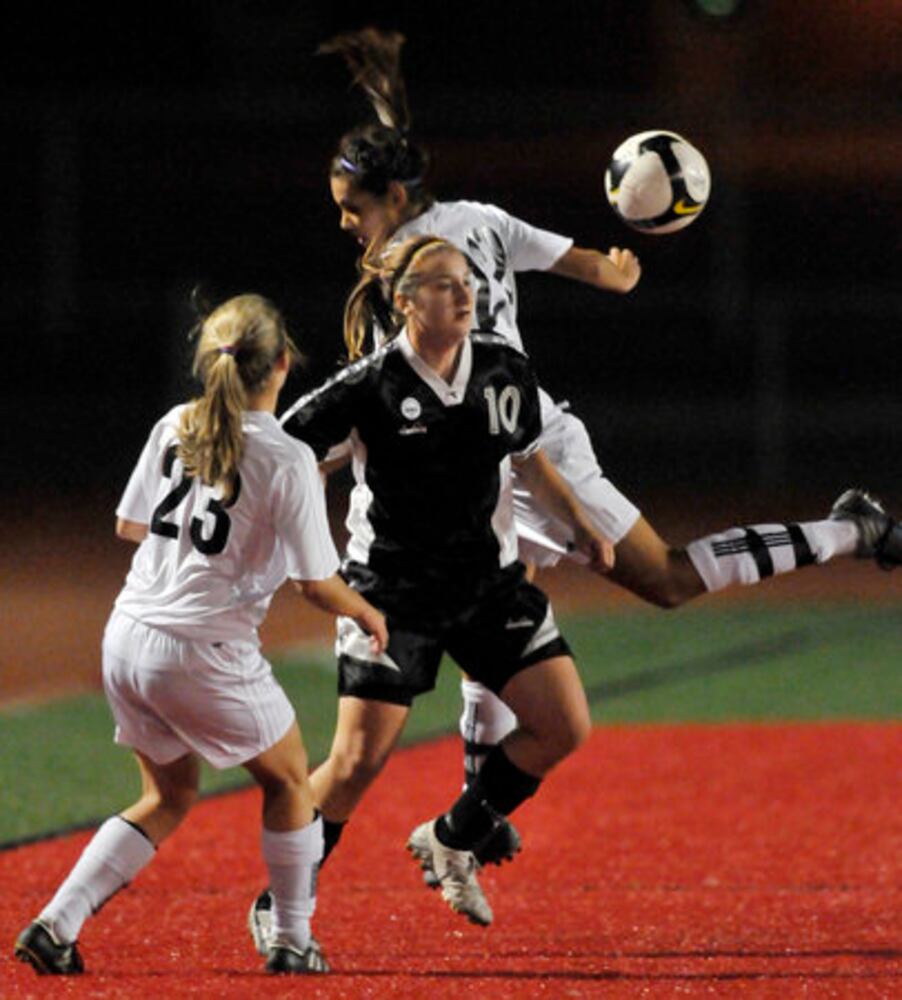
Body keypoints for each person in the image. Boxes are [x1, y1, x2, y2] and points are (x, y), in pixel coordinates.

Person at [316, 26, 902, 844]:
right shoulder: (476, 219)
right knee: (490, 588)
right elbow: (602, 269)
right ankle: (476, 808)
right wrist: (630, 256)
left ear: (393, 199)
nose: (344, 223)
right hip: (479, 452)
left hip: (524, 445)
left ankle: (851, 528)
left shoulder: (396, 279)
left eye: (351, 207)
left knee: (662, 579)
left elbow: (388, 388)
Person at [14, 294, 387, 977]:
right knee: (290, 785)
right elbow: (314, 583)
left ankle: (55, 923)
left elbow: (132, 527)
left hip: (126, 638)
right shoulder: (287, 456)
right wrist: (366, 613)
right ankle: (294, 938)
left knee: (170, 794)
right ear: (282, 364)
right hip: (200, 650)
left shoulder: (175, 424)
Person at [263, 234, 615, 931]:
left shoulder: (503, 368)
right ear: (404, 300)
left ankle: (451, 839)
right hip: (392, 595)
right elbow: (284, 457)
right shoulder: (367, 386)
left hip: (488, 586)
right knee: (356, 761)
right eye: (445, 284)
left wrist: (580, 524)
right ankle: (279, 903)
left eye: (468, 285)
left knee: (563, 724)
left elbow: (530, 460)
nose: (464, 296)